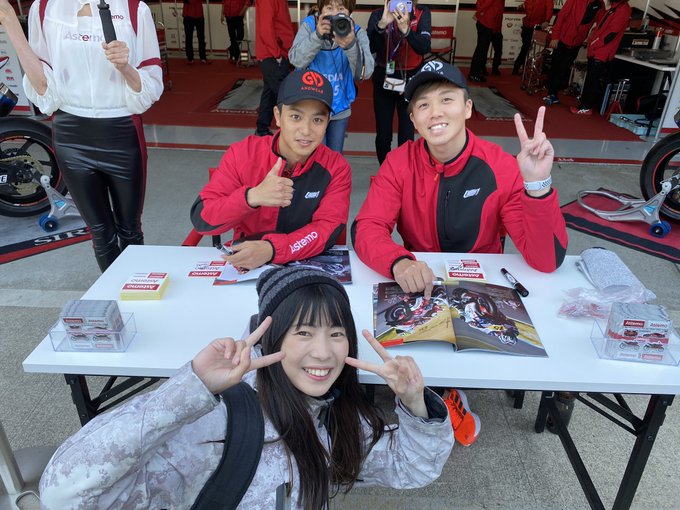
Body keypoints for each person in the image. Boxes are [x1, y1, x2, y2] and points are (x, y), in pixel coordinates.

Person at [38, 266, 455, 508]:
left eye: (336, 333)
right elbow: (63, 492)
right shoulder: (212, 421)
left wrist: (415, 405)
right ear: (270, 339)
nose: (324, 353)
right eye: (303, 333)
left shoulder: (330, 415)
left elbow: (411, 468)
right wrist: (188, 391)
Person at [352, 61, 568, 297]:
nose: (435, 112)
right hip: (422, 282)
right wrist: (398, 262)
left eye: (446, 99)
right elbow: (367, 227)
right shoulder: (398, 163)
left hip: (484, 285)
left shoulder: (501, 166)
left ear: (467, 108)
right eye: (424, 105)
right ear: (413, 119)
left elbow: (546, 261)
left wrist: (538, 186)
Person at [0, 0, 163, 272]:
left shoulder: (135, 9)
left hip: (121, 131)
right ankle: (112, 294)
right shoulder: (44, 8)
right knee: (100, 232)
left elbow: (151, 84)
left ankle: (134, 291)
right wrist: (9, 22)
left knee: (130, 229)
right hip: (71, 134)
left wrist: (125, 67)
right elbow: (43, 87)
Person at [190, 69, 351, 269]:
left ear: (327, 122)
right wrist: (251, 197)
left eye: (317, 120)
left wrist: (272, 250)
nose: (306, 130)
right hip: (247, 264)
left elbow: (327, 228)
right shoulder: (243, 154)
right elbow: (202, 218)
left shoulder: (336, 167)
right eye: (296, 117)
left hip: (306, 264)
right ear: (278, 116)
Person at [289, 0, 374, 153]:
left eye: (341, 8)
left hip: (340, 108)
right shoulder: (310, 25)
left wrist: (350, 45)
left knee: (334, 157)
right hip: (312, 107)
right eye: (329, 8)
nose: (335, 14)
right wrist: (317, 36)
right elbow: (296, 60)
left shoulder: (356, 32)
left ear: (350, 12)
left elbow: (366, 73)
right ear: (321, 10)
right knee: (313, 156)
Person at [367, 0, 431, 164]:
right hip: (384, 79)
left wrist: (407, 31)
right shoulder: (378, 14)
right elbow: (370, 48)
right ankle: (385, 171)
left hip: (411, 81)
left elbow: (424, 47)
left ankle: (404, 172)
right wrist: (382, 25)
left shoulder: (421, 13)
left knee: (407, 135)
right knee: (383, 135)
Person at [570, 0, 631, 115]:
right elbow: (602, 27)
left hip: (602, 51)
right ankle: (584, 104)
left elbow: (611, 33)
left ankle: (586, 106)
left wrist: (595, 43)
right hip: (597, 50)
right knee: (591, 78)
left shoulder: (623, 9)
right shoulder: (615, 7)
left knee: (593, 80)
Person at [542, 0, 603, 106]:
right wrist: (555, 36)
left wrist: (592, 33)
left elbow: (601, 22)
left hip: (577, 42)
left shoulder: (599, 4)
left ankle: (553, 93)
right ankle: (551, 93)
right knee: (556, 67)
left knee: (564, 68)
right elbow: (561, 16)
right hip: (562, 39)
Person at [255, 0, 295, 136]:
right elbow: (266, 29)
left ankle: (262, 129)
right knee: (285, 95)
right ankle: (291, 131)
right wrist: (277, 54)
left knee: (270, 94)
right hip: (273, 55)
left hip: (275, 54)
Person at [512, 0, 553, 76]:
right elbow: (528, 6)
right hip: (526, 25)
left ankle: (517, 67)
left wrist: (547, 20)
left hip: (535, 26)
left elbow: (549, 9)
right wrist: (522, 7)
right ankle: (523, 68)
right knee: (525, 48)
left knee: (525, 47)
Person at [468, 0, 504, 82]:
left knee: (482, 50)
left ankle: (476, 72)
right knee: (481, 50)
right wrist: (479, 13)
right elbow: (485, 3)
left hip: (487, 22)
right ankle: (474, 74)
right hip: (486, 23)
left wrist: (479, 13)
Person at [183, 0, 210, 64]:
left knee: (201, 38)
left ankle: (203, 57)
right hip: (188, 16)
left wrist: (189, 1)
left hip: (199, 16)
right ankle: (190, 58)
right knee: (189, 38)